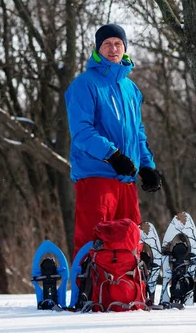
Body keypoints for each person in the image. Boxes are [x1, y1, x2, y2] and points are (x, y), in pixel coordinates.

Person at [65, 23, 162, 258]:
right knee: (95, 240)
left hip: (126, 178)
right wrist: (113, 155)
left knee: (130, 242)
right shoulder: (84, 84)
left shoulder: (131, 89)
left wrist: (147, 166)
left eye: (118, 43)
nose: (113, 48)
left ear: (125, 48)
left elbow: (137, 131)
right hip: (96, 175)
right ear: (98, 49)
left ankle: (127, 292)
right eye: (107, 44)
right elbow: (81, 131)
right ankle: (88, 294)